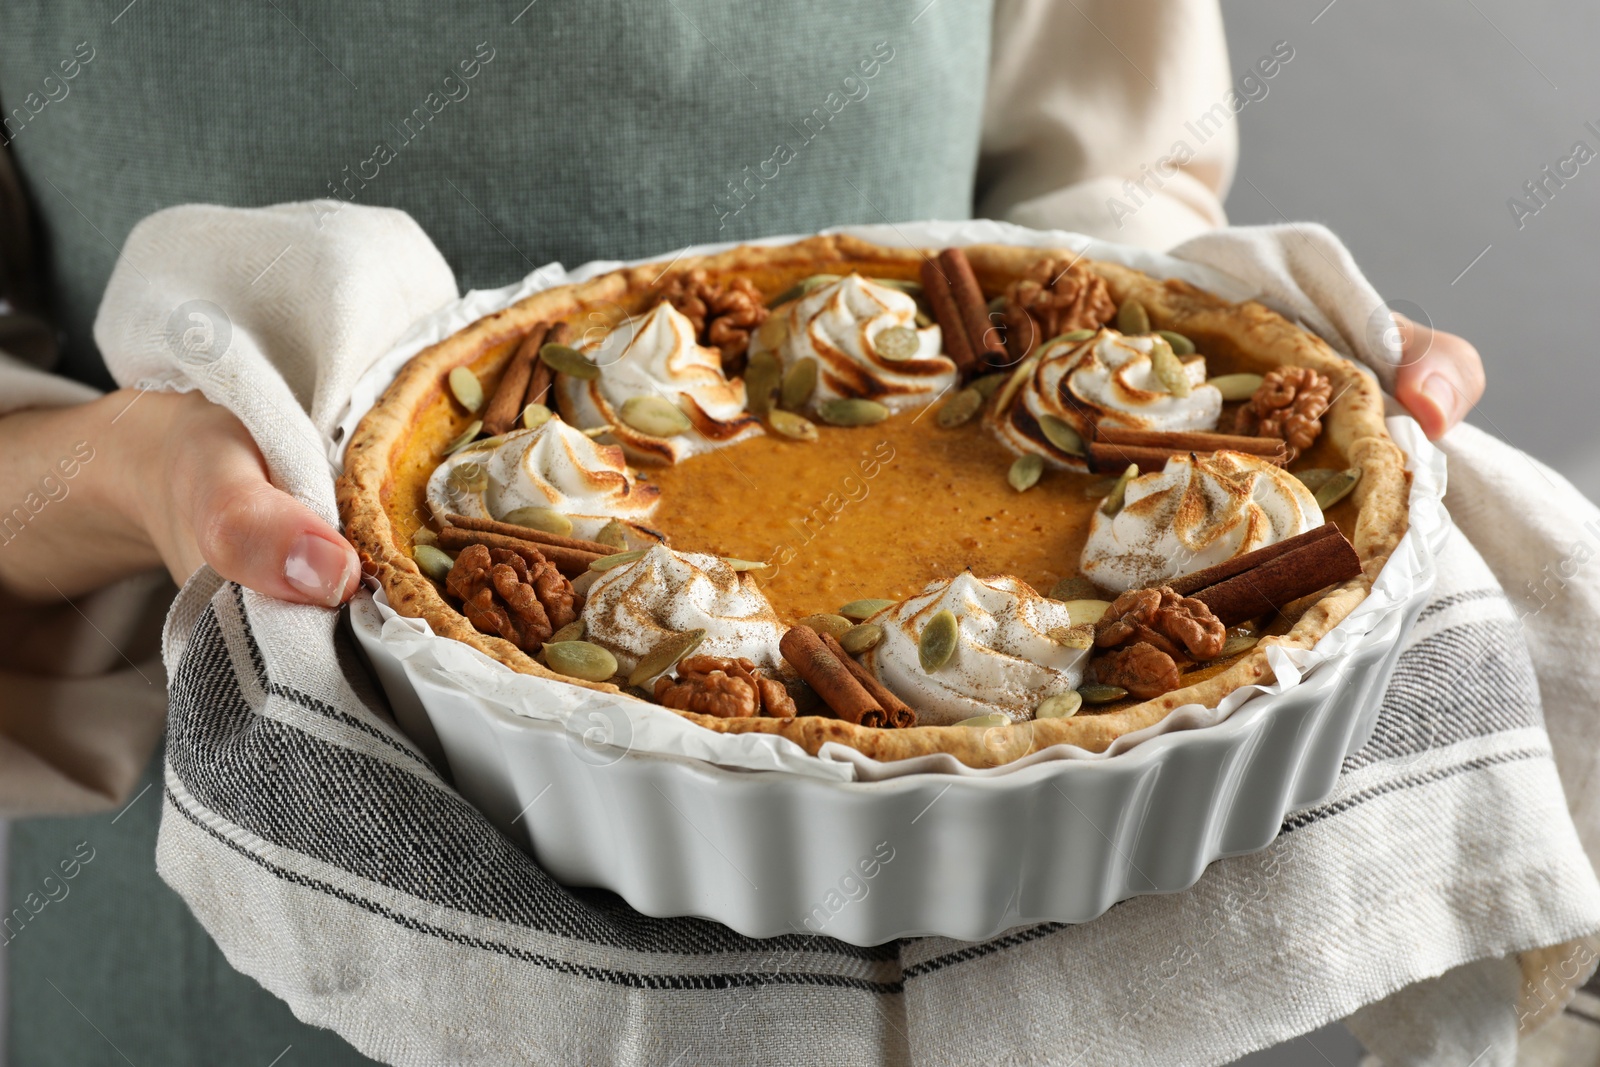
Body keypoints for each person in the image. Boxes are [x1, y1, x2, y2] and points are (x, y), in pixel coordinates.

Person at [0, 1, 1484, 1062]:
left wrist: (1205, 379)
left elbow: (1097, 220)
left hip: (974, 988)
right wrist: (135, 467)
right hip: (215, 923)